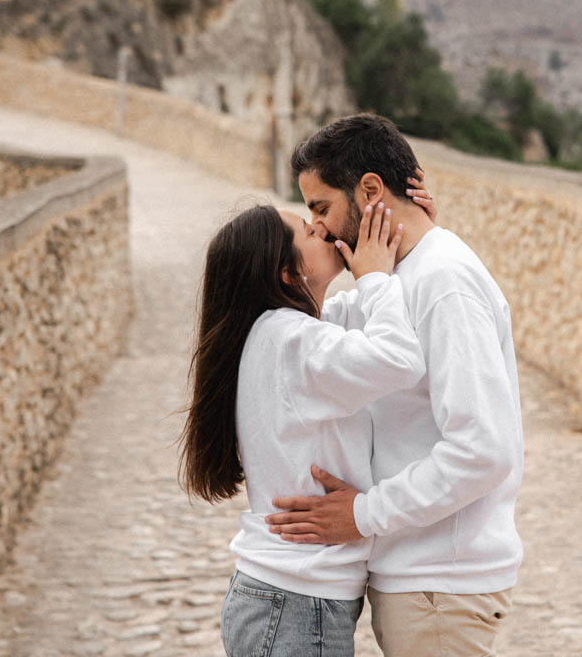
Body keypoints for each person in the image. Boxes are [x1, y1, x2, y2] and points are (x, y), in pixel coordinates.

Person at [266, 112, 524, 656]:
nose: (316, 228)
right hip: (418, 577)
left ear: (370, 191)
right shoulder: (393, 274)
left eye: (321, 208)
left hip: (439, 583)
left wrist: (363, 514)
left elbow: (484, 448)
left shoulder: (444, 281)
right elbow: (327, 339)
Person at [178, 201, 425, 656]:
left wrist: (413, 237)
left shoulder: (276, 334)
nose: (322, 229)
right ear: (287, 274)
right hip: (294, 604)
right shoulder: (294, 340)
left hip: (284, 601)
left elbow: (358, 318)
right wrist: (374, 278)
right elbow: (398, 359)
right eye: (308, 232)